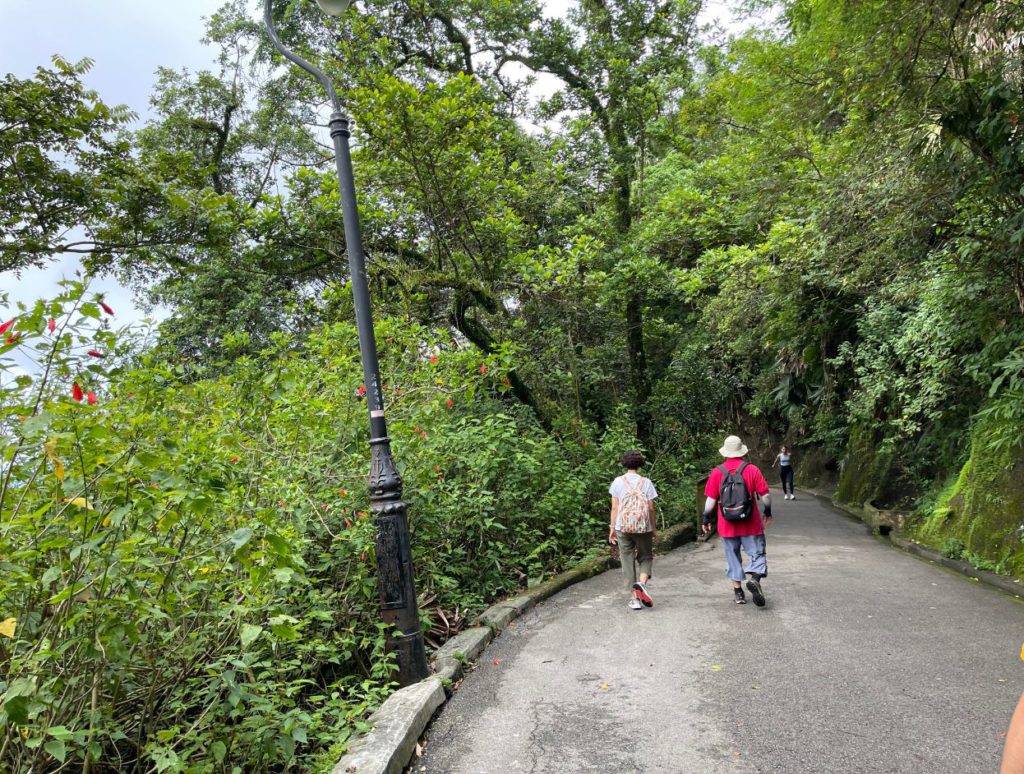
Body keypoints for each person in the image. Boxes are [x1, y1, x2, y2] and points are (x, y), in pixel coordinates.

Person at [701, 435, 773, 606]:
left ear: (725, 453)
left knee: (732, 556)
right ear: (742, 451)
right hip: (750, 523)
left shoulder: (717, 472)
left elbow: (710, 500)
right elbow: (765, 495)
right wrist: (767, 511)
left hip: (727, 524)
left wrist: (706, 518)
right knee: (757, 553)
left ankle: (738, 593)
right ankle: (755, 579)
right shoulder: (752, 470)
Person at [608, 450, 658, 610]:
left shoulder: (617, 482)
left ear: (624, 463)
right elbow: (650, 508)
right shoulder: (646, 482)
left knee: (627, 560)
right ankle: (641, 584)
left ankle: (635, 600)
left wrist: (612, 528)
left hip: (622, 526)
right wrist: (653, 527)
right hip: (643, 527)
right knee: (646, 557)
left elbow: (614, 507)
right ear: (640, 464)